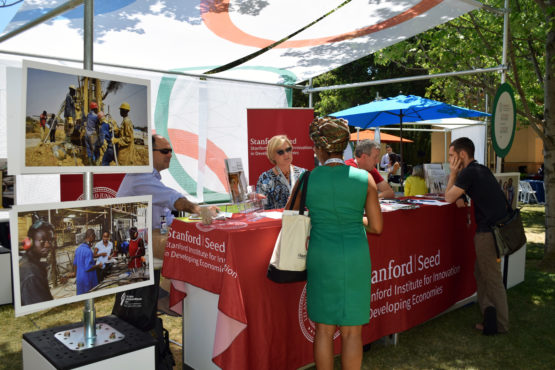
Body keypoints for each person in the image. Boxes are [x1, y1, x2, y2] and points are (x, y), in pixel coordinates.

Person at [287, 116, 383, 370]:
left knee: (324, 331)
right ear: (343, 146)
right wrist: (355, 218)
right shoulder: (365, 178)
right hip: (355, 258)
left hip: (322, 257)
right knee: (352, 333)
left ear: (318, 148)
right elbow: (376, 226)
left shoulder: (307, 179)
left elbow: (289, 217)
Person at [445, 137, 510, 335]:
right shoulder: (480, 169)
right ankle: (490, 319)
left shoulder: (468, 172)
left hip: (487, 233)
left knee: (491, 278)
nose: (449, 160)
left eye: (451, 156)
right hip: (494, 230)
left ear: (462, 155)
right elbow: (464, 199)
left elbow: (448, 197)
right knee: (482, 275)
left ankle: (501, 324)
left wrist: (453, 174)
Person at [118, 134, 204, 230]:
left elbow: (163, 216)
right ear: (149, 153)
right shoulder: (139, 176)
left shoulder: (150, 177)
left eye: (170, 151)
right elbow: (175, 200)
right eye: (165, 151)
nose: (170, 155)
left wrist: (169, 230)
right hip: (141, 241)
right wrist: (199, 210)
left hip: (150, 237)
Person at [256, 135, 307, 210]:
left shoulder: (303, 173)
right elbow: (261, 207)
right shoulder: (265, 178)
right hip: (278, 221)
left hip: (300, 220)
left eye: (288, 149)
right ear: (272, 156)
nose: (286, 154)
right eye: (280, 152)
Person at [19, 221, 55, 305]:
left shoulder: (29, 263)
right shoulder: (32, 275)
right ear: (29, 242)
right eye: (42, 240)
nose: (47, 245)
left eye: (50, 241)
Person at [67, 229, 101, 295]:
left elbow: (75, 264)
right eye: (94, 239)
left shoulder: (78, 249)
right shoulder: (88, 251)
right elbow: (88, 268)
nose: (93, 241)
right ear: (91, 237)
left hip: (79, 279)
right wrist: (98, 265)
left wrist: (75, 274)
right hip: (87, 280)